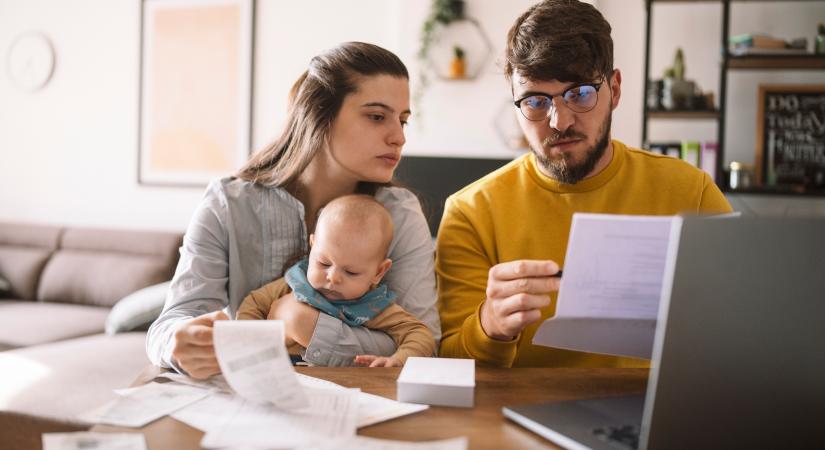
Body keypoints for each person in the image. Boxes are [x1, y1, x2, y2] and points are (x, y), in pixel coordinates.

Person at [436, 0, 732, 368]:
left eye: (579, 94)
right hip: (516, 417)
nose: (560, 121)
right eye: (535, 101)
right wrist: (490, 326)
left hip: (655, 413)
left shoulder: (692, 193)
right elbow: (447, 365)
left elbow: (742, 327)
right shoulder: (471, 212)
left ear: (616, 89)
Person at [146, 42, 440, 379]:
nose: (399, 137)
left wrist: (303, 324)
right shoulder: (227, 204)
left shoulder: (400, 214)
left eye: (403, 121)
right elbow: (169, 324)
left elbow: (425, 342)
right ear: (318, 115)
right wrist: (178, 343)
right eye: (376, 116)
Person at [236, 194, 435, 367]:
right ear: (312, 246)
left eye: (351, 272)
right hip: (280, 375)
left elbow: (421, 334)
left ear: (379, 272)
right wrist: (248, 346)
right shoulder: (295, 283)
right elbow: (253, 304)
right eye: (323, 263)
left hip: (342, 383)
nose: (333, 277)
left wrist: (399, 359)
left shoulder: (374, 306)